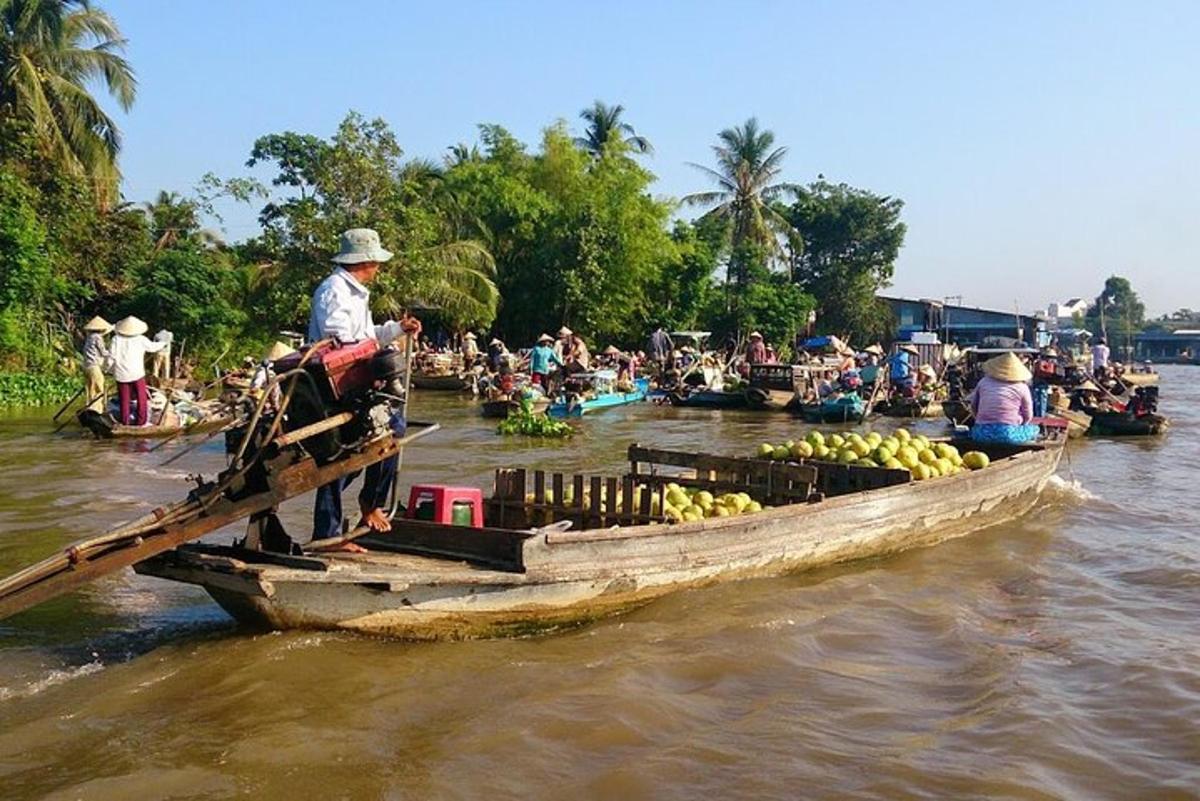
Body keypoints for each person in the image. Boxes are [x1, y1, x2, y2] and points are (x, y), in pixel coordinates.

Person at [308, 228, 421, 552]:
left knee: (347, 456)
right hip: (337, 385)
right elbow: (339, 339)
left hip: (353, 381)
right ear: (365, 261)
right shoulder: (335, 290)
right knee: (389, 431)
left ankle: (332, 530)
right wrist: (375, 349)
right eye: (376, 262)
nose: (378, 268)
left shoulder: (353, 291)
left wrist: (398, 328)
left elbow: (365, 333)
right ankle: (368, 506)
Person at [968, 352, 1039, 444]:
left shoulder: (983, 382)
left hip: (981, 434)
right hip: (1008, 435)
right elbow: (1028, 415)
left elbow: (973, 406)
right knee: (1035, 429)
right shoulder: (1022, 387)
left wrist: (980, 420)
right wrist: (1021, 425)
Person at [109, 316, 168, 425]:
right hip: (137, 373)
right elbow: (152, 347)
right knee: (142, 398)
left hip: (121, 374)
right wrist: (164, 343)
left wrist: (108, 370)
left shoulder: (116, 339)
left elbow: (111, 357)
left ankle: (125, 422)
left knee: (124, 399)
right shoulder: (140, 339)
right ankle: (141, 422)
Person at [81, 316, 112, 413]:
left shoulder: (89, 337)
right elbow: (103, 352)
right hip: (93, 366)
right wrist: (113, 354)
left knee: (90, 388)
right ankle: (97, 409)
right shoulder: (97, 337)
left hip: (86, 366)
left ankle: (90, 407)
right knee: (99, 388)